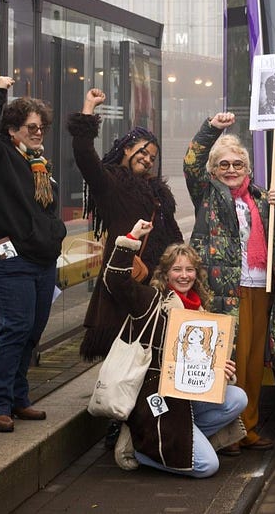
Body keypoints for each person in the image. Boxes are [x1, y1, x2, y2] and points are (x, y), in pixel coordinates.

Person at [103, 221, 248, 477]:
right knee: (207, 467)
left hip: (186, 401)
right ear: (165, 273)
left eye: (190, 269)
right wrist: (131, 237)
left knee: (237, 398)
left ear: (196, 274)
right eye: (177, 269)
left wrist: (220, 369)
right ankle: (139, 451)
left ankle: (183, 438)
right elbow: (116, 282)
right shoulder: (151, 301)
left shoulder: (201, 310)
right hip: (157, 400)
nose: (184, 275)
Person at [183, 112, 275, 452]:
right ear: (214, 170)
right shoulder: (208, 193)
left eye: (238, 164)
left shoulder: (259, 197)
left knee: (254, 362)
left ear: (248, 168)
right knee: (229, 363)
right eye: (224, 164)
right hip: (223, 292)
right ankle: (226, 432)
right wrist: (211, 128)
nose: (231, 170)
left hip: (261, 287)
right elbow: (191, 163)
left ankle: (249, 429)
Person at [0, 75, 66, 433]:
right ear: (12, 130)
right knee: (15, 328)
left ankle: (18, 397)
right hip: (9, 259)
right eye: (31, 127)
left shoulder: (39, 164)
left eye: (42, 128)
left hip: (41, 260)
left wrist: (55, 234)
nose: (38, 133)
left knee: (32, 331)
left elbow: (44, 212)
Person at [68, 88, 183, 362]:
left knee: (153, 351)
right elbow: (84, 155)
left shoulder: (158, 192)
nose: (148, 159)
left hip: (156, 280)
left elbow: (172, 232)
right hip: (126, 278)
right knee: (122, 356)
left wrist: (182, 263)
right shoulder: (111, 182)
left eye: (153, 157)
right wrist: (89, 108)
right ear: (127, 149)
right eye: (143, 152)